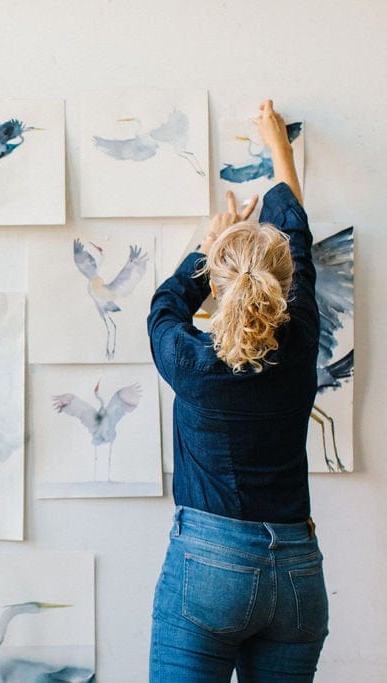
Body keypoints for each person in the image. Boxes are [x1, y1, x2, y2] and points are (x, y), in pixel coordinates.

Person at [147, 100, 328, 681]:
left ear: (220, 284)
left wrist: (210, 248)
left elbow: (164, 307)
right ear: (284, 283)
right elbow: (296, 238)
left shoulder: (191, 360)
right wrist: (280, 149)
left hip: (211, 566)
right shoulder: (298, 341)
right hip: (298, 571)